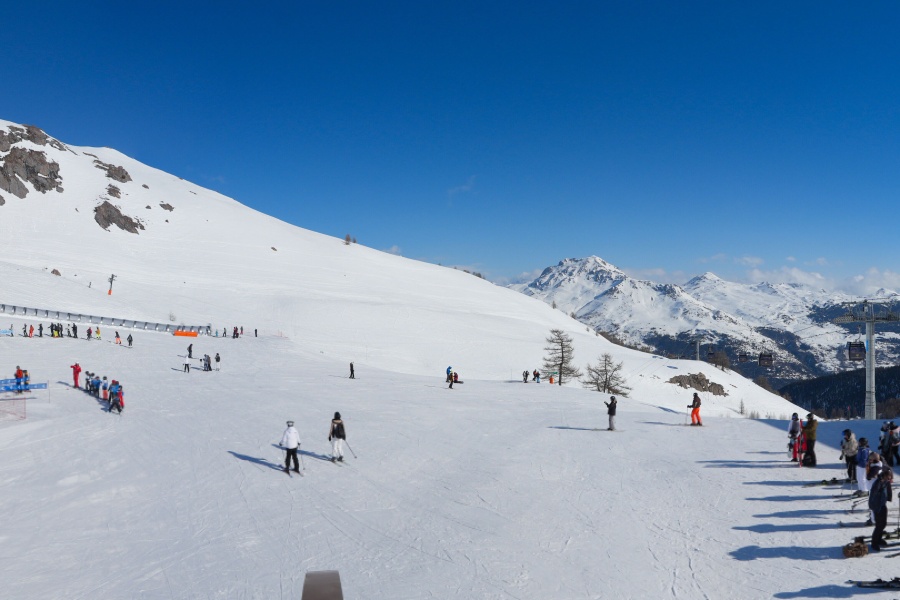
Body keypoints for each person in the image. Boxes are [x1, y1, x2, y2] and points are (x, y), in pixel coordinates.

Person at [869, 467, 893, 552]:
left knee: (883, 524)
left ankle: (879, 539)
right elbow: (873, 494)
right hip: (877, 506)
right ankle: (874, 542)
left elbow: (888, 490)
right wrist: (874, 507)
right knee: (879, 525)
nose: (890, 478)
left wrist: (888, 497)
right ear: (885, 476)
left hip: (882, 504)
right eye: (889, 477)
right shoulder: (878, 482)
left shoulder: (885, 482)